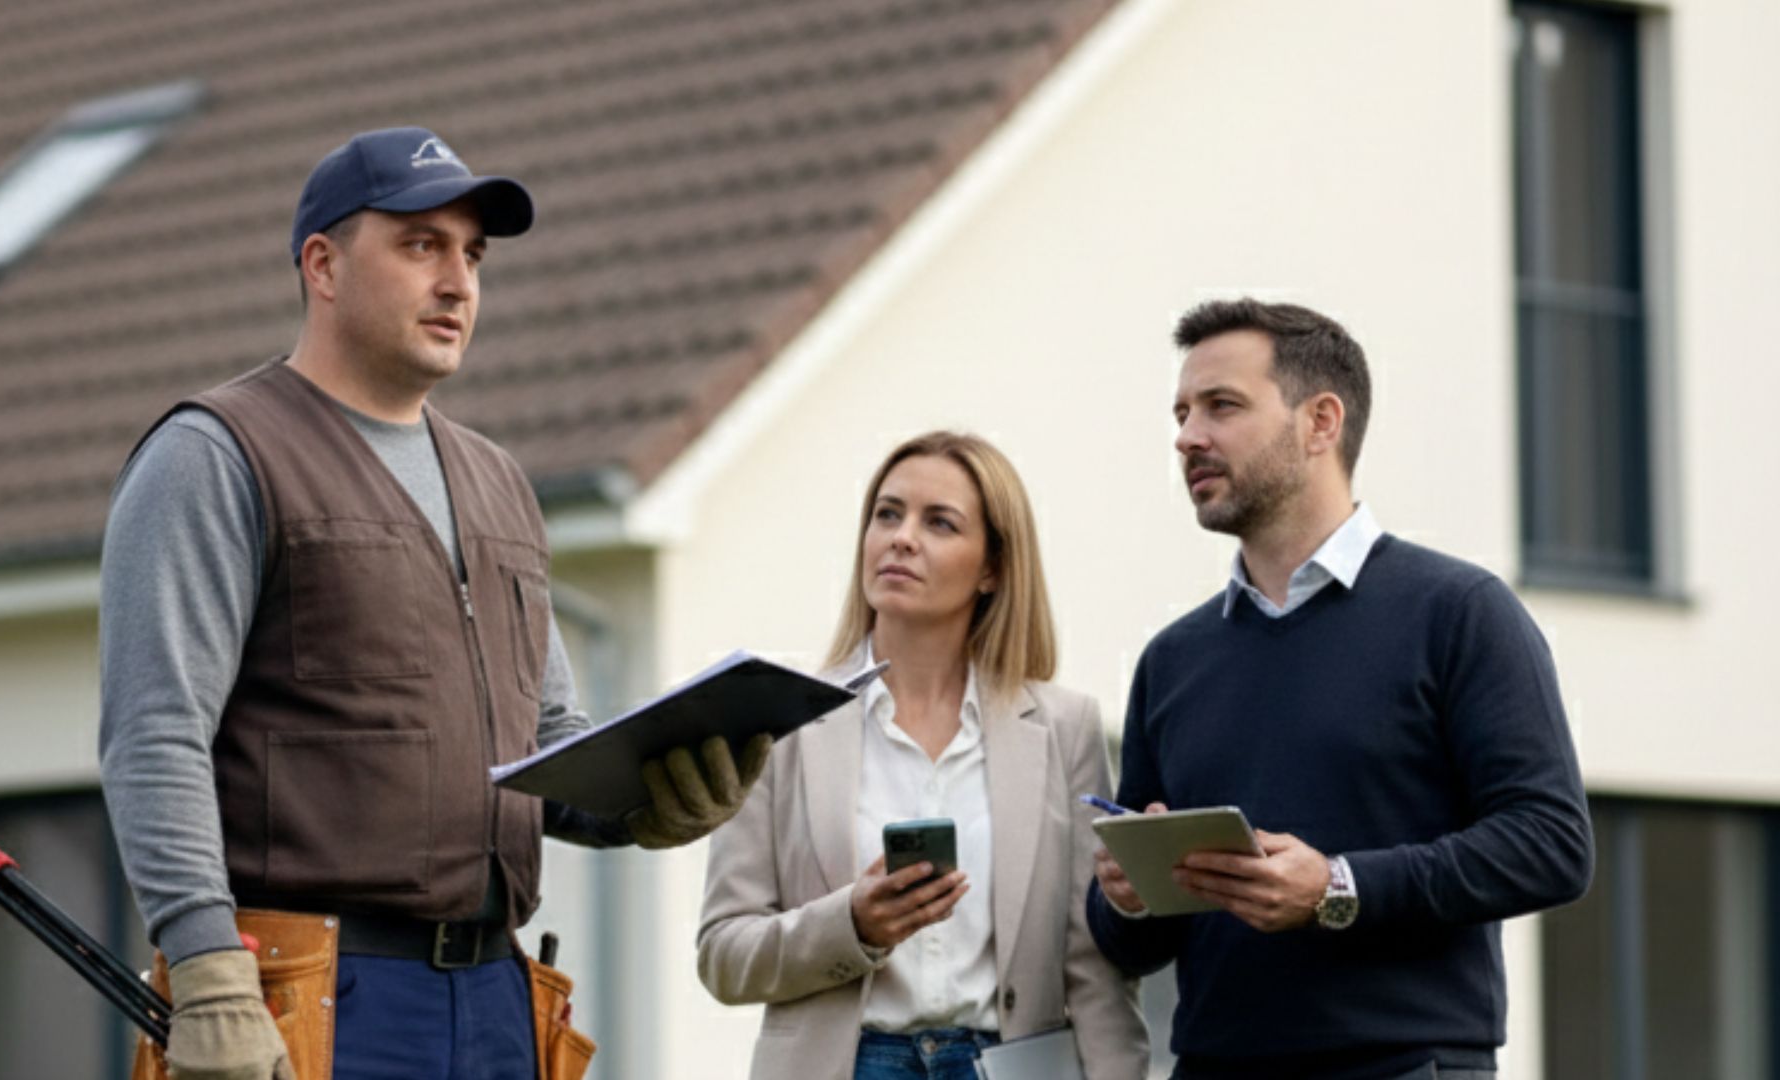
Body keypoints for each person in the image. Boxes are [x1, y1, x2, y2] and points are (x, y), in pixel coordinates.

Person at [98, 127, 768, 1080]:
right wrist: (206, 970)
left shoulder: (499, 483)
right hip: (312, 991)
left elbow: (545, 745)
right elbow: (154, 732)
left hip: (499, 997)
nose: (458, 282)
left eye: (473, 254)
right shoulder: (214, 456)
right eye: (421, 246)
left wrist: (644, 806)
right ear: (322, 266)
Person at [1086, 298, 1595, 1079]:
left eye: (1222, 406)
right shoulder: (1172, 660)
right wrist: (1126, 895)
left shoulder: (1460, 613)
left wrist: (1338, 887)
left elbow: (1551, 844)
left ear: (1321, 422)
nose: (1188, 436)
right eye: (1183, 412)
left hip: (1404, 1064)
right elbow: (1139, 945)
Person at [699, 432, 1149, 1080]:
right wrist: (850, 924)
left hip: (1010, 1063)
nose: (902, 538)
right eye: (888, 514)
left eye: (939, 522)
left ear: (993, 567)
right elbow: (723, 954)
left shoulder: (1065, 728)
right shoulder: (780, 723)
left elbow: (1093, 969)